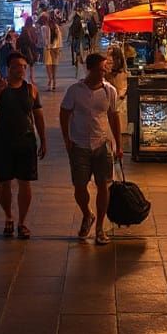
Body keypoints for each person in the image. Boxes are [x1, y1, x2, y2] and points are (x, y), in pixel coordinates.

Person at [0, 51, 46, 239]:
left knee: (25, 183)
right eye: (17, 66)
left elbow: (38, 116)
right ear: (8, 68)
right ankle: (9, 216)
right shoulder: (0, 87)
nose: (21, 70)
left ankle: (22, 222)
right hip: (3, 141)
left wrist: (43, 139)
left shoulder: (31, 89)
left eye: (24, 66)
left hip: (26, 141)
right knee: (4, 183)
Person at [60, 52, 123, 246]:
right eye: (102, 67)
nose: (105, 70)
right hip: (79, 144)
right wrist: (67, 139)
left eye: (106, 67)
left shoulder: (109, 91)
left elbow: (113, 116)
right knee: (80, 187)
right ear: (91, 69)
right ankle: (87, 214)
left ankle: (99, 228)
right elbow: (64, 113)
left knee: (103, 185)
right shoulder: (75, 91)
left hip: (102, 144)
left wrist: (118, 144)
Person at [105, 43, 130, 136]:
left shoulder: (122, 75)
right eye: (107, 61)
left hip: (119, 109)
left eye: (110, 62)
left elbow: (122, 92)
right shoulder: (107, 75)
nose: (108, 64)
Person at [42, 14, 62, 91]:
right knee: (52, 66)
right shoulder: (54, 28)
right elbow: (59, 39)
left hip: (51, 49)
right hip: (53, 49)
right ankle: (52, 81)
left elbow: (45, 39)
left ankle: (52, 80)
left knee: (50, 66)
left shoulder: (48, 28)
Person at [18, 17, 40, 84]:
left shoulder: (24, 29)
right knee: (31, 65)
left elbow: (20, 40)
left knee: (25, 64)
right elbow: (36, 39)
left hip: (25, 48)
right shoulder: (33, 29)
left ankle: (25, 79)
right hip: (32, 48)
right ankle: (32, 79)